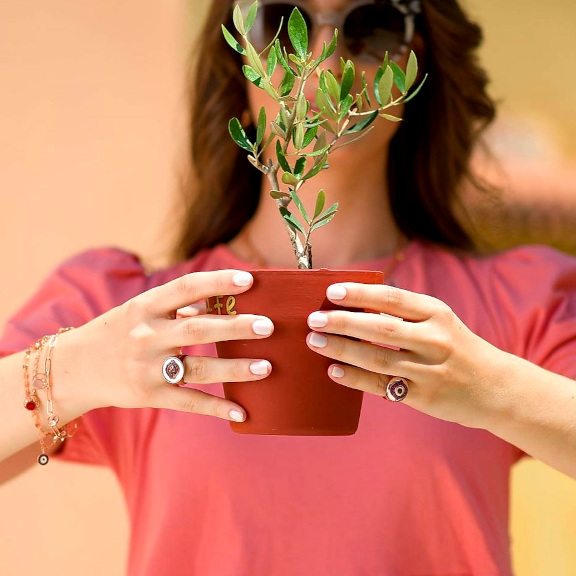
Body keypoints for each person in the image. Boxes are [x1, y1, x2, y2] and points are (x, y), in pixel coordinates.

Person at [1, 0, 575, 574]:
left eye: (370, 26)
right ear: (239, 63)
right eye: (281, 21)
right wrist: (77, 368)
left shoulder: (514, 302)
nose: (322, 63)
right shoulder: (133, 315)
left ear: (411, 67)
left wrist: (493, 386)